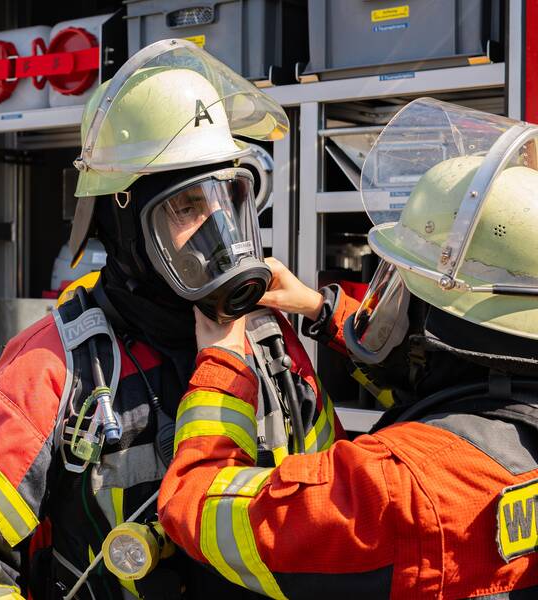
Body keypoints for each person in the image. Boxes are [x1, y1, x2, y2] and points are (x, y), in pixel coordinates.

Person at [0, 40, 343, 600]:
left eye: (227, 198)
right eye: (187, 207)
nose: (218, 228)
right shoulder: (51, 368)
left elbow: (327, 498)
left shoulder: (267, 339)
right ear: (124, 228)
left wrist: (322, 311)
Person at [158, 98, 538, 598]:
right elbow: (445, 386)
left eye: (404, 287)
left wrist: (223, 368)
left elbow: (197, 503)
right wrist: (321, 309)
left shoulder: (391, 488)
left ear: (447, 321)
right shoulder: (506, 414)